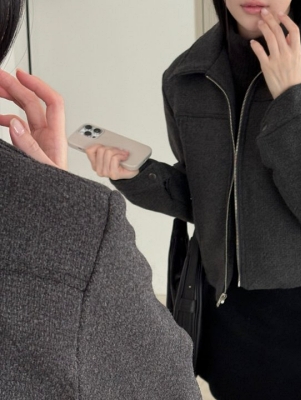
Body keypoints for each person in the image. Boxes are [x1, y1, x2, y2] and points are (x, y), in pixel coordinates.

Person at [85, 0, 301, 399]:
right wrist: (139, 175)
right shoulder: (186, 76)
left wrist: (292, 97)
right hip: (228, 310)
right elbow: (207, 200)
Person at [0, 1, 201, 399]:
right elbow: (201, 199)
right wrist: (56, 202)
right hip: (215, 291)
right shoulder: (187, 76)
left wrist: (51, 198)